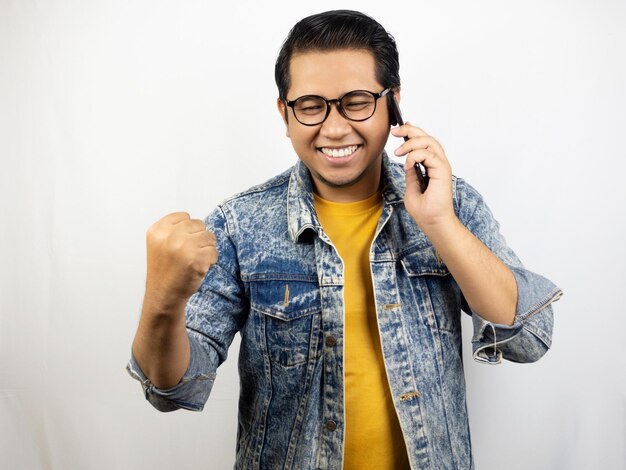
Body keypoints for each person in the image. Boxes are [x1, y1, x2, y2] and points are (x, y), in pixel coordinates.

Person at [127, 9, 562, 470]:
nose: (334, 128)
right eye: (312, 105)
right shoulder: (239, 224)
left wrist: (440, 224)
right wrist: (162, 299)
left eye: (356, 101)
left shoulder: (450, 202)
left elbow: (528, 339)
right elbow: (174, 389)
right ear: (285, 113)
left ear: (393, 102)